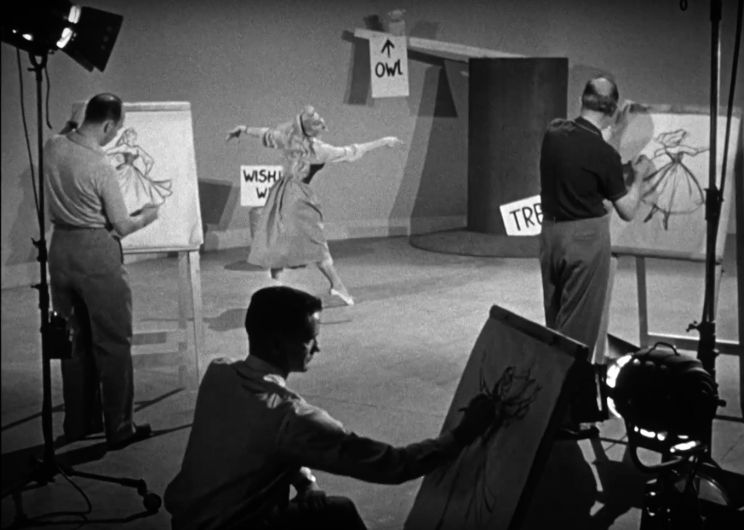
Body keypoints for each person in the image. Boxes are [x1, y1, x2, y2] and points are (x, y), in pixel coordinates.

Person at [164, 286, 499, 529]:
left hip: (188, 521)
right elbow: (392, 465)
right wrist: (461, 435)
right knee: (338, 516)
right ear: (279, 344)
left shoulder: (219, 373)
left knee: (335, 512)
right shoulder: (291, 417)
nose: (318, 348)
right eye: (309, 339)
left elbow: (251, 442)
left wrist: (304, 480)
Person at [45, 93, 159, 449]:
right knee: (113, 342)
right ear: (108, 125)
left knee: (72, 341)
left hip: (60, 250)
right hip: (96, 252)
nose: (116, 135)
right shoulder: (100, 166)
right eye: (117, 129)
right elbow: (122, 225)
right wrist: (148, 215)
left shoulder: (53, 146)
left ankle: (78, 423)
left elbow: (66, 132)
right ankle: (119, 427)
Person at [538, 76, 643, 433]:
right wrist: (639, 177)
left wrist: (613, 130)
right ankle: (563, 416)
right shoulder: (605, 156)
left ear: (583, 100)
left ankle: (547, 400)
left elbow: (586, 153)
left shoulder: (554, 133)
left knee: (556, 323)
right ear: (612, 108)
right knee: (577, 332)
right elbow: (627, 210)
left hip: (551, 236)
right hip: (585, 240)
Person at [226, 106, 404, 306]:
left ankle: (276, 282)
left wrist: (243, 128)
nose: (321, 121)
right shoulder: (318, 150)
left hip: (281, 192)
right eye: (318, 121)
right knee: (316, 243)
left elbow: (265, 133)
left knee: (280, 237)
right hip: (297, 198)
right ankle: (337, 285)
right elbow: (352, 151)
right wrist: (383, 141)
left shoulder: (289, 139)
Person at [105, 127, 173, 215]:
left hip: (133, 171)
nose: (133, 140)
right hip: (123, 170)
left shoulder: (137, 149)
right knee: (120, 188)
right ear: (127, 138)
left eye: (134, 139)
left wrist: (147, 171)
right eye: (132, 139)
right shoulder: (124, 147)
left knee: (142, 187)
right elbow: (108, 152)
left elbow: (149, 160)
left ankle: (130, 210)